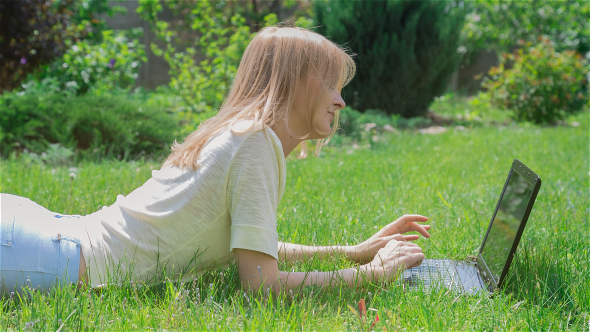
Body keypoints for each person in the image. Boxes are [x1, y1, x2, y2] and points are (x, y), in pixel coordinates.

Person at [0, 26, 430, 295]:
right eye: (331, 85)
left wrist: (350, 252)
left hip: (43, 234)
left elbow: (246, 246)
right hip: (44, 256)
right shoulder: (254, 144)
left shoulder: (244, 134)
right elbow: (261, 285)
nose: (339, 100)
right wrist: (368, 276)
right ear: (294, 83)